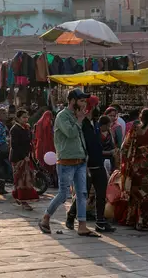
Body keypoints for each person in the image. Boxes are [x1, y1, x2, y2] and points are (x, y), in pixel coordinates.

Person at [39, 88, 100, 237]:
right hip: (66, 161)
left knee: (82, 194)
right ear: (72, 101)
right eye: (81, 100)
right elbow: (71, 133)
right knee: (63, 194)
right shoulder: (63, 116)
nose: (84, 104)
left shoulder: (76, 116)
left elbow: (81, 138)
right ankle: (45, 218)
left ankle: (82, 226)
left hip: (79, 160)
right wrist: (79, 119)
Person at [67, 95, 116, 233]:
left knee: (101, 193)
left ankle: (100, 222)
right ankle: (71, 215)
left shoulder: (95, 123)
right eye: (95, 105)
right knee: (84, 194)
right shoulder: (82, 124)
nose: (97, 108)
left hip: (98, 162)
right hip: (86, 164)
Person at [10, 109, 38, 211]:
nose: (26, 119)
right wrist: (23, 156)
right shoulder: (15, 129)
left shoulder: (26, 128)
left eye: (27, 117)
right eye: (24, 117)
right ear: (18, 118)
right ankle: (24, 201)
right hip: (18, 158)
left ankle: (20, 197)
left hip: (27, 157)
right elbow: (15, 145)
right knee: (22, 180)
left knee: (27, 179)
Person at [33, 110, 56, 184]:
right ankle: (50, 179)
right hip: (48, 145)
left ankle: (45, 180)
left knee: (42, 162)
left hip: (40, 145)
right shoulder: (48, 123)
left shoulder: (38, 123)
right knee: (50, 164)